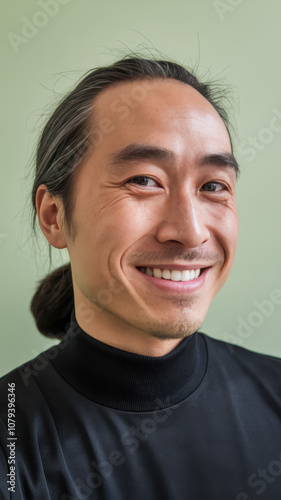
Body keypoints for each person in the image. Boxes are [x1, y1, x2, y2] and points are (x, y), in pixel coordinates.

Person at [0, 55, 281, 500]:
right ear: (54, 216)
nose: (189, 231)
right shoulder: (11, 440)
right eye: (144, 180)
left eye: (213, 186)